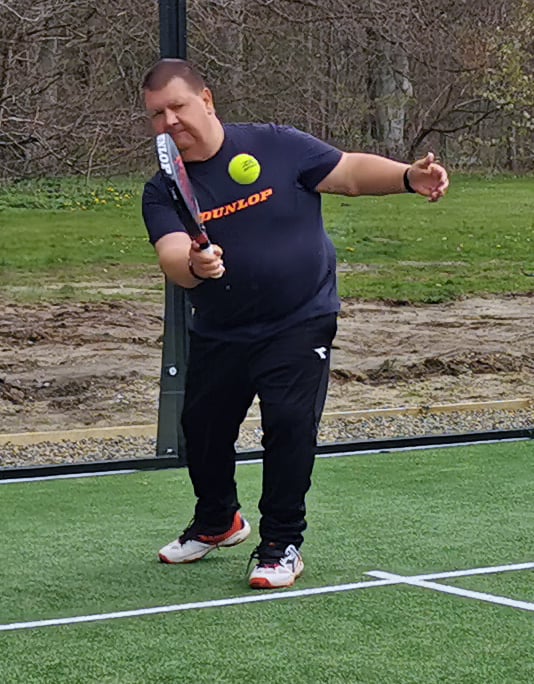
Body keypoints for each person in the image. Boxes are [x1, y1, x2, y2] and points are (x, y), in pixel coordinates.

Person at [141, 58, 449, 590]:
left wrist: (407, 176)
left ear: (206, 100)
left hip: (299, 319)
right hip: (221, 329)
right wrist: (194, 264)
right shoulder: (163, 188)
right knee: (203, 431)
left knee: (288, 423)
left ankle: (281, 543)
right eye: (156, 114)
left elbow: (348, 172)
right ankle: (218, 520)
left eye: (177, 107)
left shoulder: (276, 145)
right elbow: (171, 254)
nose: (169, 121)